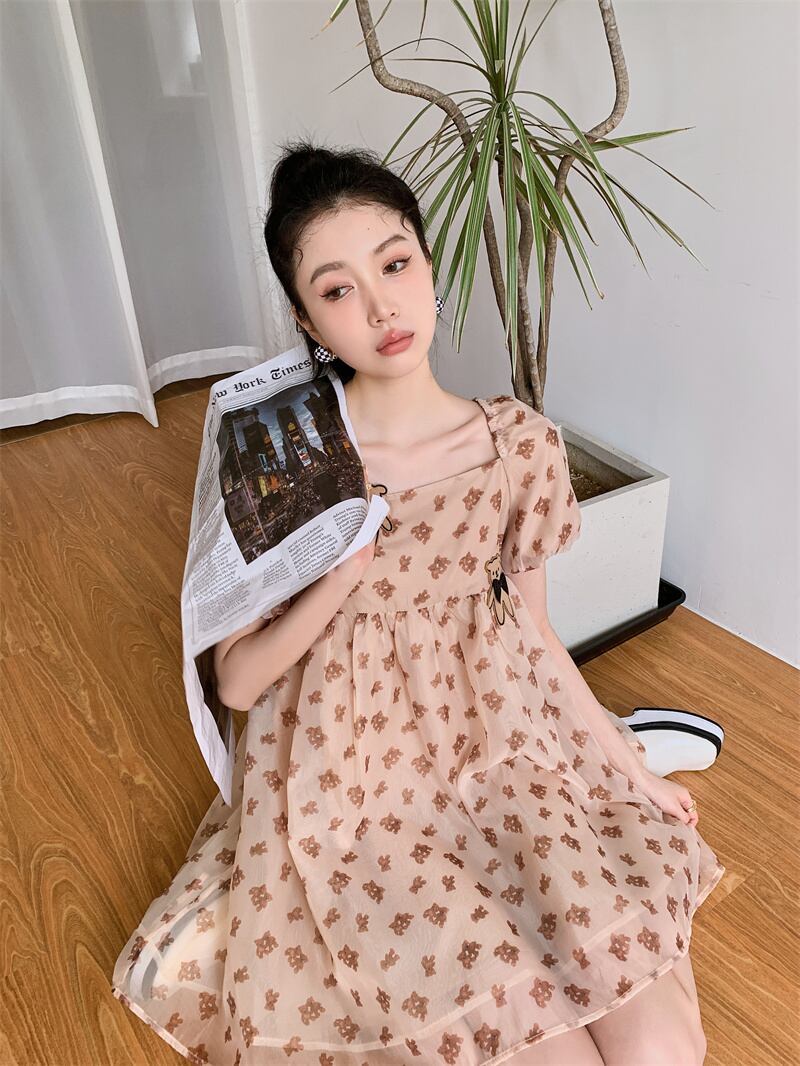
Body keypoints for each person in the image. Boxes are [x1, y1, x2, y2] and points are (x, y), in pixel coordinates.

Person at [110, 141, 726, 1065]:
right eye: (337, 289)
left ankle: (636, 740)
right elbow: (235, 684)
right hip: (360, 781)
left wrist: (626, 772)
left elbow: (536, 630)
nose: (380, 307)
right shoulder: (286, 457)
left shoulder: (520, 444)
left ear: (429, 264)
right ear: (307, 320)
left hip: (496, 738)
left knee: (659, 1053)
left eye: (394, 264)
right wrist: (338, 579)